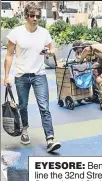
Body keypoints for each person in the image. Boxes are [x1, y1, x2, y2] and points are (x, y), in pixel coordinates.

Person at [3, 2, 61, 153]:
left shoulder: (44, 33)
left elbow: (52, 50)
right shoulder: (16, 33)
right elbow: (9, 55)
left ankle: (50, 138)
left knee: (44, 107)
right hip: (21, 76)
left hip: (39, 75)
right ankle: (25, 131)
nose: (35, 19)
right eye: (32, 16)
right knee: (23, 106)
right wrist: (6, 76)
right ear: (26, 16)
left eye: (37, 16)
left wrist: (48, 53)